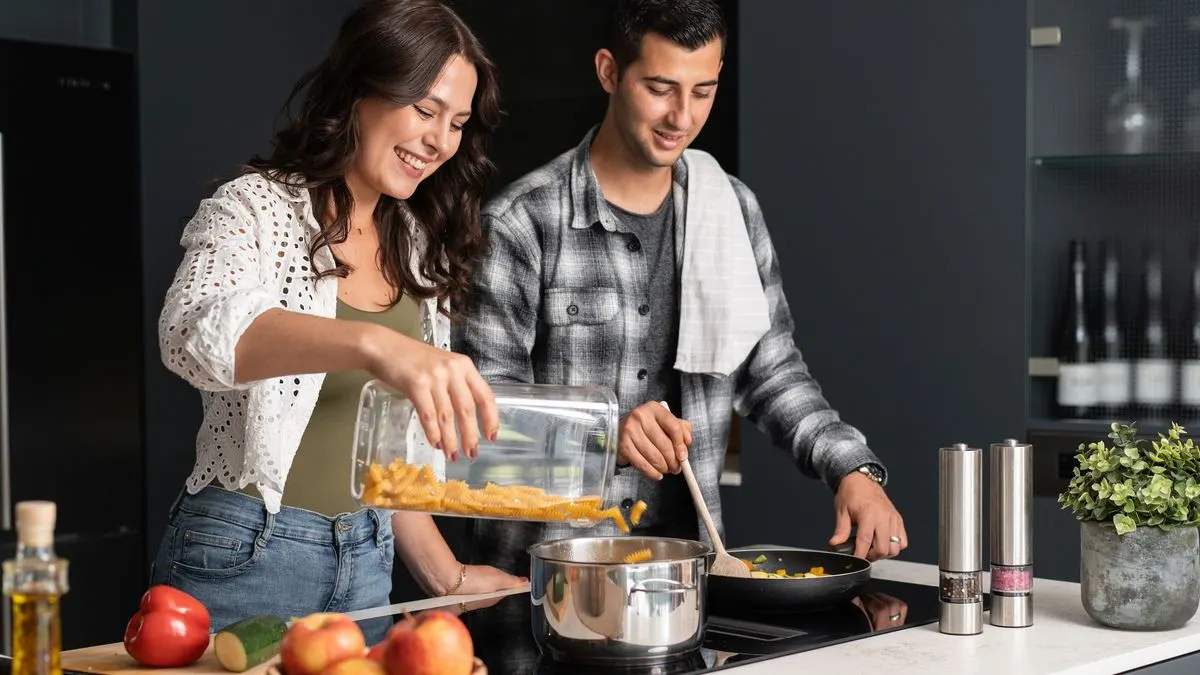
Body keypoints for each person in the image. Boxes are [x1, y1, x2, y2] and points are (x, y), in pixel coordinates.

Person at [454, 0, 908, 586]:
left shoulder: (731, 210)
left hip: (686, 582)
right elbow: (481, 429)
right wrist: (604, 437)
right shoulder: (520, 224)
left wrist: (852, 470)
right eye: (660, 88)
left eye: (703, 91)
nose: (682, 117)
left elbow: (772, 373)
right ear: (609, 72)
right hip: (545, 588)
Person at [152, 0, 524, 642]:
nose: (441, 141)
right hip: (247, 555)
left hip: (367, 563)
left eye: (458, 123)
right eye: (425, 109)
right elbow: (193, 335)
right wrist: (373, 344)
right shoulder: (255, 207)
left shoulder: (415, 245)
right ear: (360, 90)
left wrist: (446, 577)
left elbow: (383, 458)